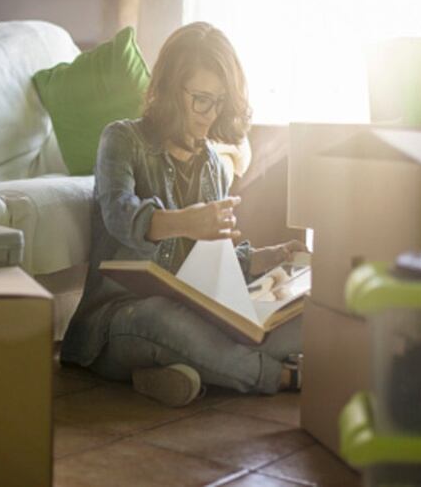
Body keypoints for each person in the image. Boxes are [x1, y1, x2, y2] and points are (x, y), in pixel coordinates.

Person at [61, 22, 308, 407]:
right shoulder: (121, 139)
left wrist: (272, 258)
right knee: (163, 320)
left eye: (220, 101)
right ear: (170, 90)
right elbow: (120, 215)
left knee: (300, 317)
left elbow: (214, 266)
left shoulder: (211, 162)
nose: (210, 114)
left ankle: (179, 371)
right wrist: (185, 222)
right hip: (118, 321)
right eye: (201, 99)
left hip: (193, 316)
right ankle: (281, 375)